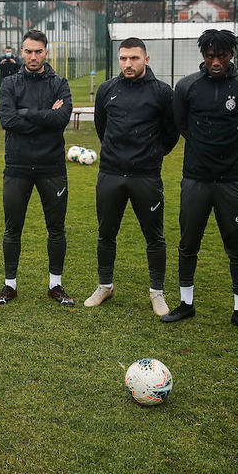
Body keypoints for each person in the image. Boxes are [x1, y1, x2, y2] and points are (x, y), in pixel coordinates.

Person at [166, 29, 238, 334]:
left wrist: (225, 152)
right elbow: (181, 125)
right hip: (195, 178)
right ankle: (186, 303)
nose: (216, 61)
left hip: (233, 180)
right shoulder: (186, 87)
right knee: (188, 242)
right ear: (203, 55)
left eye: (222, 56)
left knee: (237, 245)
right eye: (210, 56)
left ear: (232, 55)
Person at [85, 37, 178, 316]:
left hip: (146, 176)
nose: (128, 63)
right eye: (123, 58)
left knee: (155, 236)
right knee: (106, 233)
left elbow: (171, 133)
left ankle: (157, 293)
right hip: (110, 174)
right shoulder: (106, 90)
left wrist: (151, 156)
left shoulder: (162, 92)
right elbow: (102, 127)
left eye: (134, 58)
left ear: (146, 60)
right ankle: (105, 286)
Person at [0, 29, 75, 307]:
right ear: (21, 52)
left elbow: (61, 118)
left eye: (38, 51)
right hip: (17, 165)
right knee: (12, 228)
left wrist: (26, 113)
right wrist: (45, 115)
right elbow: (8, 120)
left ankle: (55, 285)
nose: (33, 56)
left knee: (56, 229)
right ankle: (9, 285)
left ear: (46, 52)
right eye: (28, 51)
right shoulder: (10, 84)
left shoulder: (59, 83)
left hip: (52, 167)